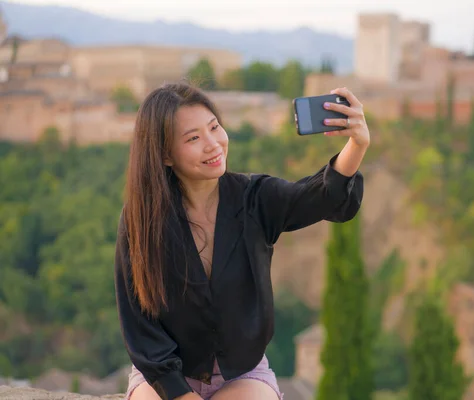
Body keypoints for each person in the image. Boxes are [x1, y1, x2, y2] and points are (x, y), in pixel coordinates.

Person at [114, 81, 369, 400]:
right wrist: (180, 394)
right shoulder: (142, 219)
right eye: (194, 138)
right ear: (165, 155)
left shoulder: (254, 198)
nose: (213, 144)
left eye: (214, 127)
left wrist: (356, 145)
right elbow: (139, 323)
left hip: (243, 373)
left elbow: (319, 197)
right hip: (164, 373)